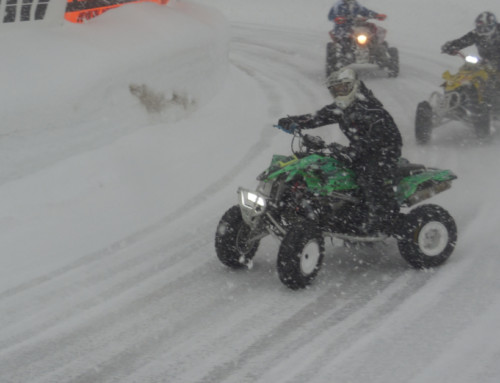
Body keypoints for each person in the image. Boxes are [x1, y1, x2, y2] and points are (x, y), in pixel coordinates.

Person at [276, 67, 402, 234]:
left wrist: (353, 152)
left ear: (354, 86)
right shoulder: (343, 108)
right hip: (360, 150)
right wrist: (293, 121)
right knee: (326, 169)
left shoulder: (372, 110)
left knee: (369, 176)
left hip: (384, 152)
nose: (339, 92)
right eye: (335, 89)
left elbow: (376, 140)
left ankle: (378, 219)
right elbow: (316, 118)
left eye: (343, 88)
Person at [441, 11, 500, 107]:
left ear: (493, 26)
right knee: (467, 68)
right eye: (480, 28)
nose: (482, 31)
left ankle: (492, 103)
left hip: (497, 63)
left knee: (493, 79)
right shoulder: (476, 34)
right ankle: (452, 92)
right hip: (485, 61)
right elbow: (464, 40)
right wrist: (451, 46)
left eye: (486, 28)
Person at [328, 0, 387, 68]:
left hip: (355, 26)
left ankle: (377, 53)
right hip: (342, 28)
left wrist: (376, 15)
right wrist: (337, 18)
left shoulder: (355, 5)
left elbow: (365, 11)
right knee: (344, 40)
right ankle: (343, 55)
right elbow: (330, 16)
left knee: (372, 33)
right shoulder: (338, 5)